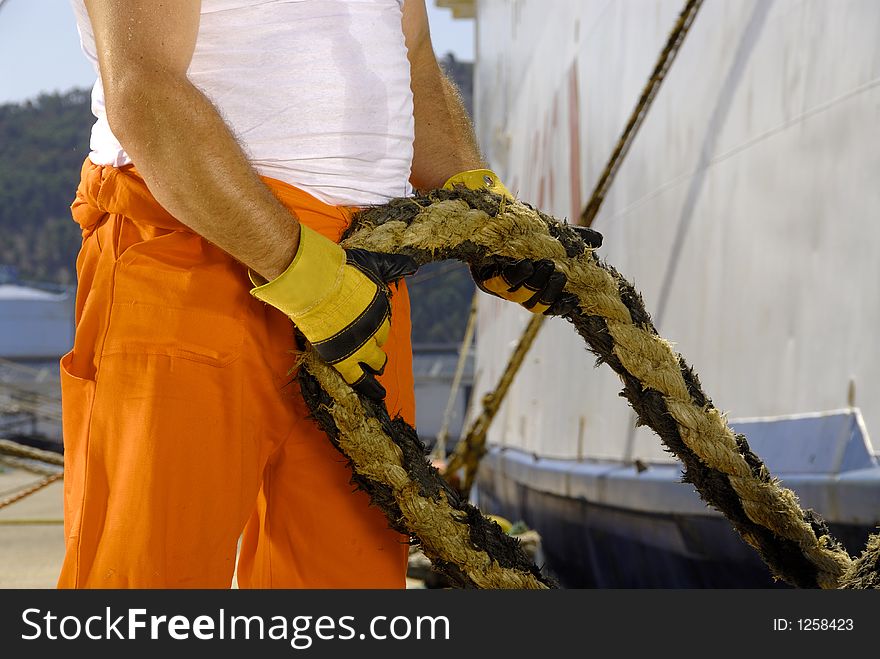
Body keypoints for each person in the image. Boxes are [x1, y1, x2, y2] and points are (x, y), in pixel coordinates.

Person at [61, 0, 586, 589]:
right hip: (194, 252)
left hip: (362, 279)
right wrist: (299, 269)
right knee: (146, 583)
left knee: (343, 585)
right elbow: (145, 89)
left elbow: (409, 58)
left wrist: (475, 195)